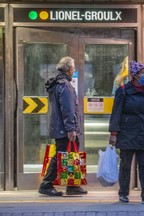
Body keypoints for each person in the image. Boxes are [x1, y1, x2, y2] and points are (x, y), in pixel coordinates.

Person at [109, 60, 144, 204]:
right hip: (127, 132)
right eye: (143, 73)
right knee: (126, 164)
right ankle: (123, 193)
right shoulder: (124, 90)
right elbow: (116, 113)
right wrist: (113, 133)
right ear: (135, 75)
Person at [39, 56, 87, 196]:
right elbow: (68, 108)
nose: (74, 70)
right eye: (73, 68)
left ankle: (72, 186)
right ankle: (46, 184)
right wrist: (71, 128)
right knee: (60, 154)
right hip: (64, 129)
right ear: (68, 69)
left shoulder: (58, 82)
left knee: (70, 154)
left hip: (60, 126)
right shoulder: (64, 84)